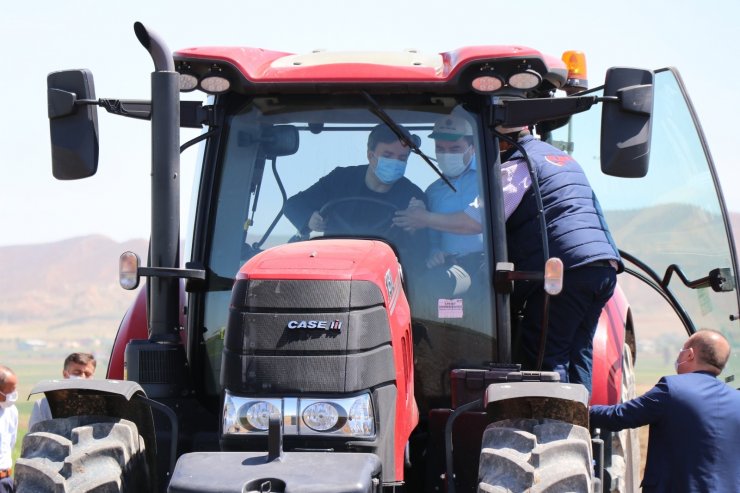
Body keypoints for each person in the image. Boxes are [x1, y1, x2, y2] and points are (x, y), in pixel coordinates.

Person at [590, 329, 740, 492]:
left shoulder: (673, 389)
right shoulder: (737, 400)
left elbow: (619, 416)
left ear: (690, 354)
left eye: (682, 350)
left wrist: (581, 411)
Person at [283, 123, 426, 266]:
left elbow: (423, 253)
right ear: (370, 155)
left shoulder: (414, 197)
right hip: (333, 265)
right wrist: (309, 219)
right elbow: (293, 205)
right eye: (388, 156)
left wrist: (416, 228)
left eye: (402, 159)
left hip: (385, 273)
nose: (395, 163)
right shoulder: (339, 179)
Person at [393, 115, 483, 297]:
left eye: (455, 148)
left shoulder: (489, 179)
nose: (447, 154)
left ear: (472, 148)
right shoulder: (433, 192)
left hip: (486, 268)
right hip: (452, 270)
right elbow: (432, 238)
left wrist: (424, 217)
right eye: (440, 149)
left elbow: (475, 222)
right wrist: (435, 252)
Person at [28, 353, 96, 429]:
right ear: (65, 374)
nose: (83, 377)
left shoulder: (100, 405)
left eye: (87, 374)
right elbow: (34, 437)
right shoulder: (43, 406)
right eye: (77, 373)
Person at [0, 366, 18, 493]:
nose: (13, 394)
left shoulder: (11, 411)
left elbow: (11, 442)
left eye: (14, 388)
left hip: (5, 480)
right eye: (9, 391)